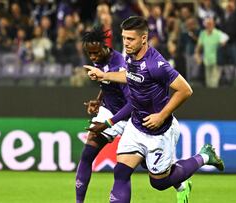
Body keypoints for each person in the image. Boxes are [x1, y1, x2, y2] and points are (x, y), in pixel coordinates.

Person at [85, 16, 224, 203]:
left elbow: (185, 90)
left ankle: (205, 156)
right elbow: (130, 75)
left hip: (159, 131)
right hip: (136, 126)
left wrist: (161, 115)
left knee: (159, 183)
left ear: (143, 39)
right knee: (121, 172)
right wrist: (104, 75)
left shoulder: (156, 64)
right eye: (124, 38)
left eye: (130, 39)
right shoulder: (131, 55)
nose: (126, 43)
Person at [75, 26, 132, 203]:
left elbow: (132, 103)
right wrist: (99, 100)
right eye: (89, 54)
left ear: (106, 46)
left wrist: (108, 123)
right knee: (86, 155)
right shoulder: (100, 59)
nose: (92, 57)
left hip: (130, 117)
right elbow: (107, 83)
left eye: (95, 53)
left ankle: (180, 183)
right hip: (109, 110)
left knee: (156, 171)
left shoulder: (120, 66)